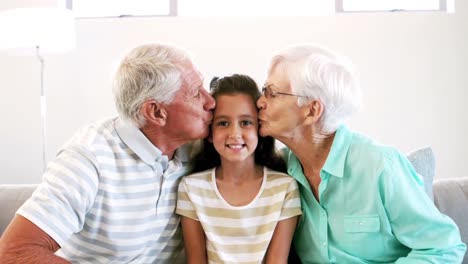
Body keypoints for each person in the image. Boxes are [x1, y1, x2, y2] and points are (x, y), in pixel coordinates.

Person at [0, 43, 215, 263]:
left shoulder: (199, 147)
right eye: (196, 94)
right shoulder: (88, 158)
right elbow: (15, 252)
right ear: (156, 112)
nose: (211, 102)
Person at [256, 44, 467, 263]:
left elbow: (443, 248)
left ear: (311, 110)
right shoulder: (279, 171)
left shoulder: (381, 167)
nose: (260, 102)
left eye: (271, 93)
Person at [176, 74, 302, 264]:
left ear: (259, 129)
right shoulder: (191, 188)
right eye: (223, 123)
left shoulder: (284, 188)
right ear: (210, 133)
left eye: (246, 122)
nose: (235, 134)